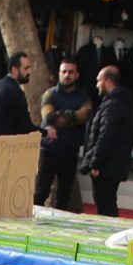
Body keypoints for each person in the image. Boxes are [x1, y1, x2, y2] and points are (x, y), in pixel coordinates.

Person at [34, 59, 93, 211]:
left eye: (71, 72)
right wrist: (73, 117)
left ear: (77, 75)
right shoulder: (49, 94)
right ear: (59, 74)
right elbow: (49, 117)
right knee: (40, 193)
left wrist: (60, 115)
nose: (67, 75)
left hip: (70, 152)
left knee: (64, 195)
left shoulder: (84, 96)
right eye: (64, 71)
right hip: (49, 151)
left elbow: (85, 115)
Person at [79, 66, 133, 217]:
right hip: (111, 164)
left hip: (107, 167)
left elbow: (106, 136)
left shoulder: (114, 105)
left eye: (99, 80)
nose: (97, 84)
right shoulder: (116, 102)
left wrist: (95, 163)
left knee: (105, 204)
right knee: (106, 203)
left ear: (108, 81)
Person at [0, 52, 54, 166]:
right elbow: (25, 126)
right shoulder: (14, 92)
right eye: (26, 68)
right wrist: (46, 132)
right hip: (5, 155)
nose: (29, 72)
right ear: (15, 69)